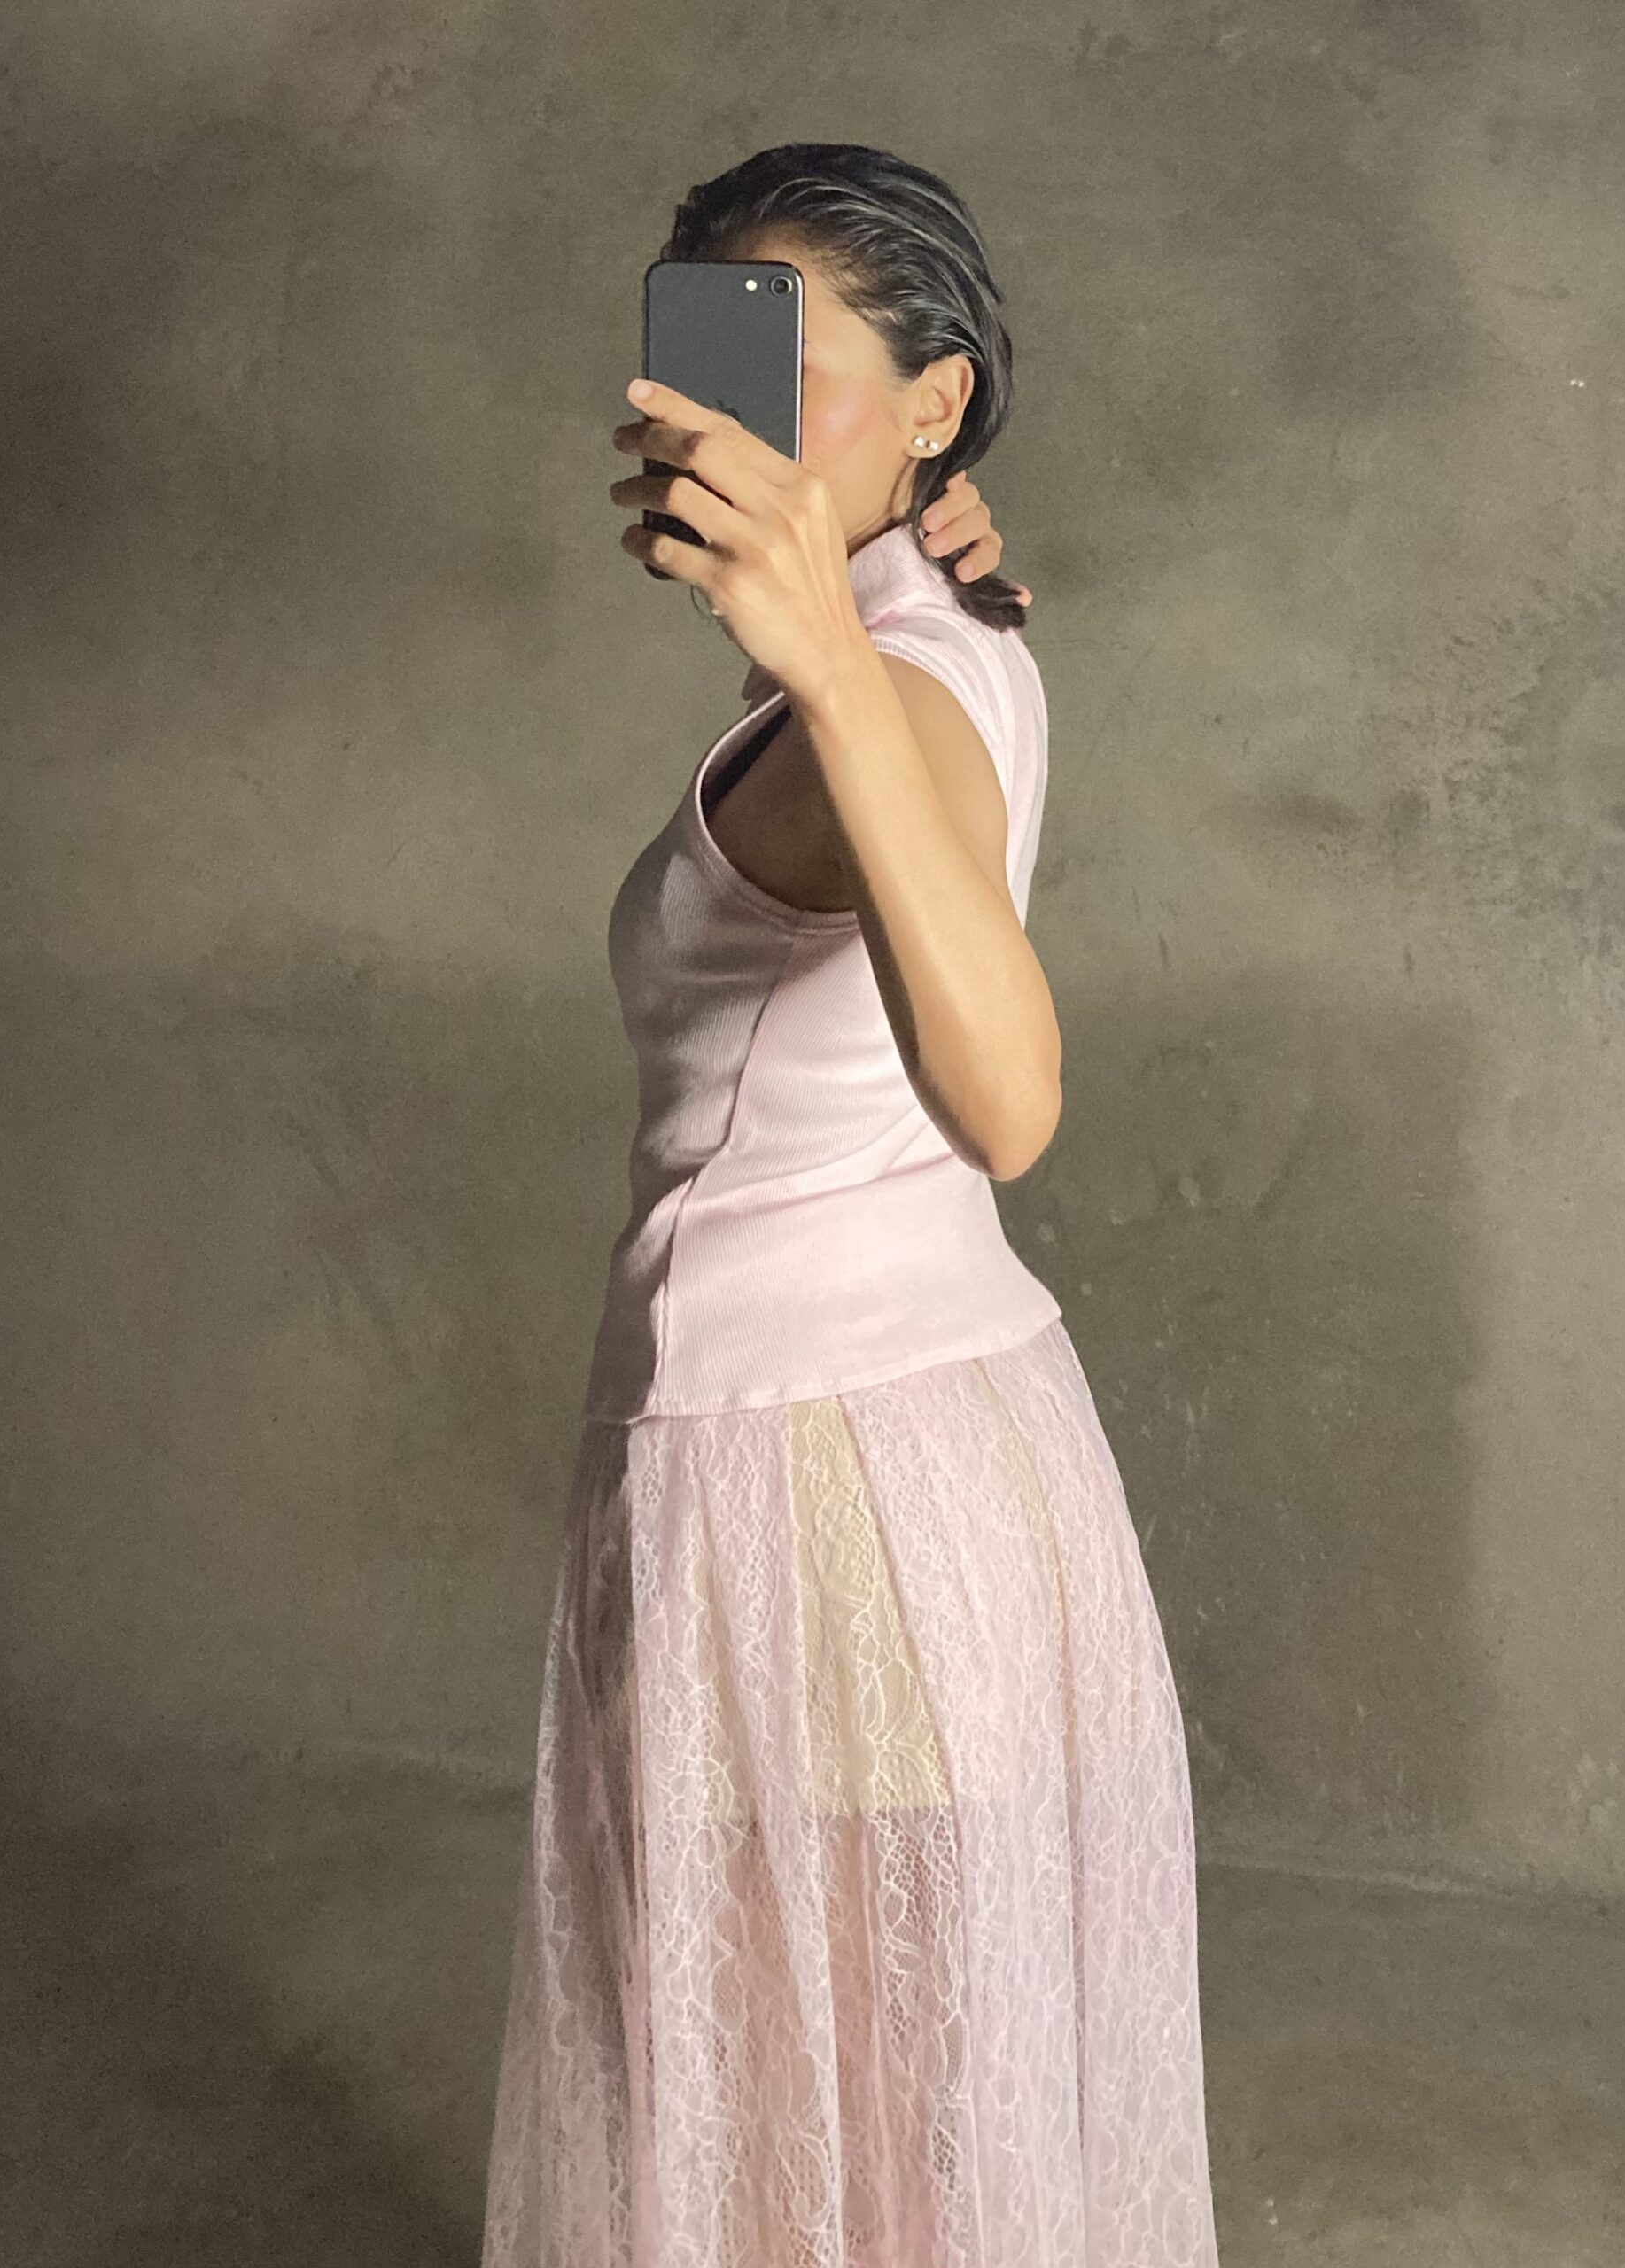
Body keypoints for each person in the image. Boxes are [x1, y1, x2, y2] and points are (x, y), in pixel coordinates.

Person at [481, 144, 1220, 2268]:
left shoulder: (885, 680)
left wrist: (826, 648)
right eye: (697, 357)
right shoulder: (953, 615)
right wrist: (877, 567)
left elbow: (1007, 1091)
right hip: (925, 1444)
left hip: (810, 1498)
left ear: (937, 400)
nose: (715, 417)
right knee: (882, 2123)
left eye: (784, 365)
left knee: (804, 2143)